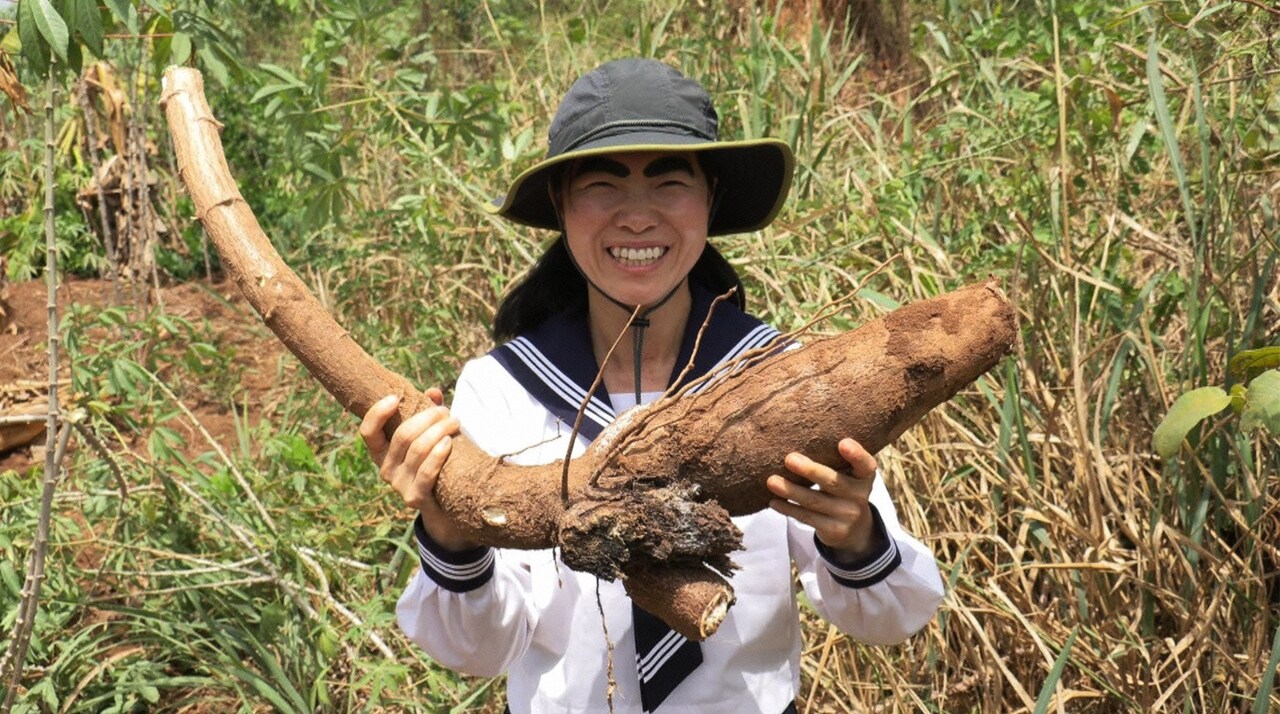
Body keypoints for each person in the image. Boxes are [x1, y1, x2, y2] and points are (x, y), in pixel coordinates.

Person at [360, 58, 944, 714]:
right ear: (561, 203)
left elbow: (892, 618)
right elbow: (475, 653)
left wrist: (855, 534)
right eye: (603, 186)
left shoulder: (782, 376)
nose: (637, 217)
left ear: (711, 197)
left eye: (670, 183)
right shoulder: (502, 391)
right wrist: (453, 533)